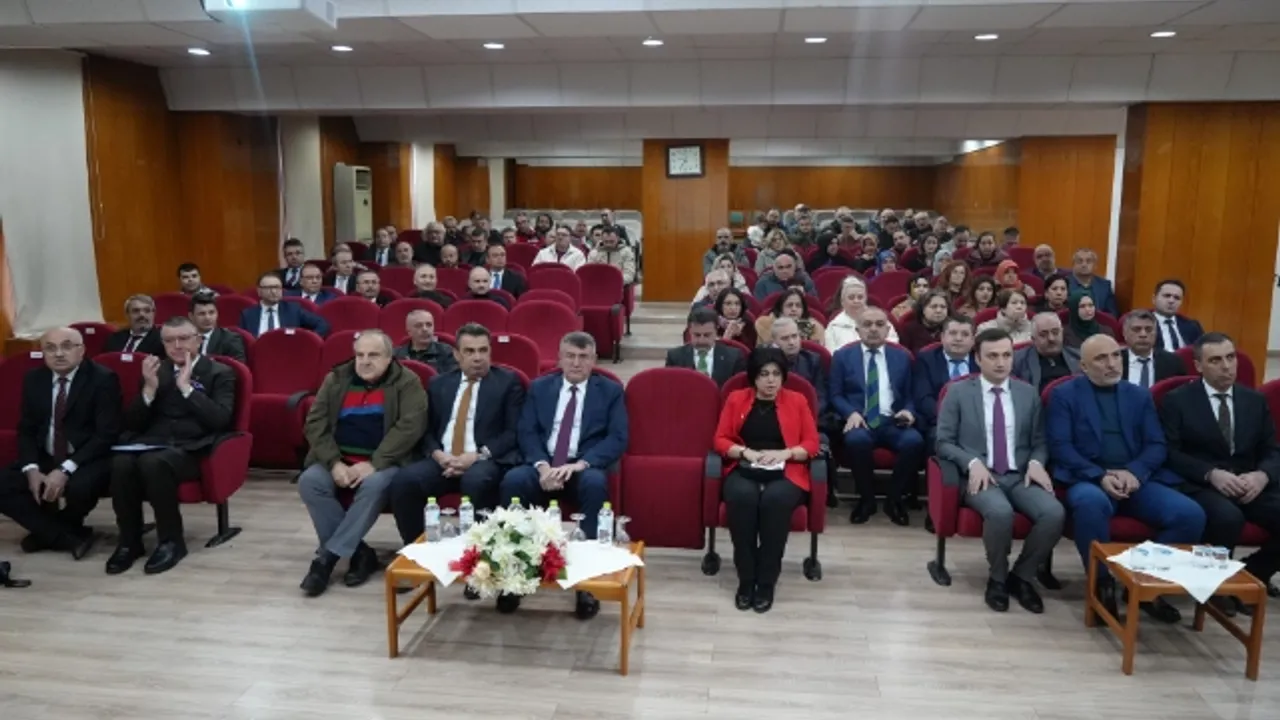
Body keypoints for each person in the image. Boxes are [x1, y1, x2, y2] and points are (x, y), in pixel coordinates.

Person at [1047, 334, 1206, 622]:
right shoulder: (1064, 395)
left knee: (1190, 515)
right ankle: (1101, 584)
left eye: (1115, 356)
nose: (1111, 364)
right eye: (1101, 358)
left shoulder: (1139, 395)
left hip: (1137, 479)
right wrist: (1100, 475)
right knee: (1090, 504)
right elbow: (1061, 447)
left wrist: (1135, 472)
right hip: (1089, 478)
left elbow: (1156, 444)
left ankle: (1144, 585)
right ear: (1084, 366)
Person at [499, 332, 628, 619]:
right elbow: (527, 431)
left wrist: (581, 464)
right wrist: (542, 466)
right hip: (544, 464)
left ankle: (586, 585)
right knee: (513, 481)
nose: (576, 363)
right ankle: (514, 576)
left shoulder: (610, 391)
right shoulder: (540, 387)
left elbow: (617, 438)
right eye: (570, 356)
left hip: (581, 466)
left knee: (595, 484)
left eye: (583, 357)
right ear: (559, 358)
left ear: (594, 360)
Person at [936, 328, 1064, 613]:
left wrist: (1036, 462)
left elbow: (1040, 441)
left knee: (1053, 513)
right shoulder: (958, 392)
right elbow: (943, 442)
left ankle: (1022, 576)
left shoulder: (1027, 393)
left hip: (1019, 475)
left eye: (1006, 355)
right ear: (978, 359)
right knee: (1000, 512)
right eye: (992, 356)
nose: (1001, 362)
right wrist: (972, 463)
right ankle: (997, 578)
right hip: (981, 475)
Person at [297, 330, 426, 597]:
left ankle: (327, 559)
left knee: (375, 486)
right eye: (360, 355)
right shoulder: (336, 378)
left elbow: (410, 428)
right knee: (310, 481)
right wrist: (334, 463)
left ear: (389, 358)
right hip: (339, 458)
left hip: (386, 462)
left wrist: (374, 464)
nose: (365, 361)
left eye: (373, 355)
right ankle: (359, 553)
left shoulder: (407, 382)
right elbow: (315, 423)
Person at [106, 317, 237, 576]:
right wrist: (149, 390)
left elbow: (220, 419)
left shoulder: (219, 372)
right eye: (169, 340)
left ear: (197, 340)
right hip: (153, 443)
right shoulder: (157, 371)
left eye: (184, 339)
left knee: (153, 463)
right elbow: (133, 423)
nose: (177, 346)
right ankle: (129, 541)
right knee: (121, 463)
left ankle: (171, 541)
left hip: (193, 448)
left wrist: (187, 389)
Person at [1162, 332, 1280, 614]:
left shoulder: (1254, 400)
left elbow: (1272, 450)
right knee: (1228, 518)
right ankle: (1213, 586)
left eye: (1230, 358)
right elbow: (1170, 452)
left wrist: (1262, 475)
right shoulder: (1177, 400)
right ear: (1198, 366)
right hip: (1203, 483)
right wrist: (1210, 474)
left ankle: (1252, 573)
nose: (1226, 366)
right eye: (1216, 360)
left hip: (1249, 482)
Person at [714, 346, 819, 613]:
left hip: (787, 470)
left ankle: (766, 582)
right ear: (753, 377)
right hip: (745, 466)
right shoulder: (737, 399)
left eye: (776, 374)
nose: (771, 380)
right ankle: (746, 580)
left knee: (775, 500)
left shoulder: (797, 401)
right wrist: (745, 452)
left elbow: (812, 443)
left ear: (784, 376)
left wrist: (785, 453)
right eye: (763, 374)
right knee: (742, 497)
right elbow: (720, 439)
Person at [390, 323, 523, 533]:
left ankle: (477, 546)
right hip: (443, 459)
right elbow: (426, 428)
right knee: (405, 481)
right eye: (469, 351)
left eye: (483, 350)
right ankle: (416, 545)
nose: (477, 357)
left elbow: (512, 432)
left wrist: (477, 455)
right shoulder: (439, 383)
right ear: (457, 354)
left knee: (476, 480)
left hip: (483, 459)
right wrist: (438, 454)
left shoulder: (507, 383)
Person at [0, 328, 121, 560]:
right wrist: (31, 468)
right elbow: (27, 429)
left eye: (66, 346)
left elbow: (106, 435)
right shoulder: (34, 379)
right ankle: (64, 536)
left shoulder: (103, 379)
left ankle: (48, 533)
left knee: (80, 487)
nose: (58, 354)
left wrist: (65, 469)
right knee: (4, 484)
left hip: (86, 457)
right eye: (50, 348)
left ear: (81, 350)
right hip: (46, 454)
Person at [831, 307, 923, 525]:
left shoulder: (902, 357)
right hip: (860, 419)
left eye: (879, 324)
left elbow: (911, 395)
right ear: (857, 330)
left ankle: (894, 499)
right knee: (856, 441)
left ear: (888, 329)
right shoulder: (842, 356)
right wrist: (850, 412)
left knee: (914, 442)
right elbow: (835, 395)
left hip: (893, 421)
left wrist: (909, 411)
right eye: (867, 324)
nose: (873, 329)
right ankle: (867, 499)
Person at [913, 315, 977, 448]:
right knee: (937, 436)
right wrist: (950, 420)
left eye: (965, 334)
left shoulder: (981, 361)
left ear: (973, 340)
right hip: (938, 422)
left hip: (976, 422)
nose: (958, 338)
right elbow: (924, 399)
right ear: (942, 337)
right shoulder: (926, 359)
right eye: (953, 333)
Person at [666, 306, 746, 387]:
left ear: (716, 330)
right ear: (689, 331)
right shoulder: (675, 357)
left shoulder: (734, 357)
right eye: (697, 335)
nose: (702, 341)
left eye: (707, 335)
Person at [241, 271, 329, 338]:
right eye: (269, 288)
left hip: (288, 352)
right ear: (259, 291)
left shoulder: (293, 310)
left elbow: (322, 324)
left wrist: (306, 340)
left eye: (277, 287)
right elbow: (242, 340)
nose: (274, 291)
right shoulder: (248, 314)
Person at [824, 277, 899, 352]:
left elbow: (893, 346)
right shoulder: (834, 326)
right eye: (851, 298)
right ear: (842, 301)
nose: (856, 301)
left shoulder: (881, 320)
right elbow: (832, 354)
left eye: (860, 297)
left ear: (866, 299)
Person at [1012, 313, 1080, 391]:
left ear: (1062, 333)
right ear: (1033, 339)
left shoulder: (1078, 356)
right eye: (1043, 335)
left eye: (1055, 332)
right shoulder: (1017, 361)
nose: (1051, 338)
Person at [1120, 310, 1186, 388]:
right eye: (1136, 329)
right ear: (1125, 333)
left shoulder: (1173, 362)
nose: (1143, 334)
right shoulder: (1115, 361)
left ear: (1156, 333)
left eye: (1149, 330)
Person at [754, 288, 825, 348]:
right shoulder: (765, 325)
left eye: (798, 305)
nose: (794, 309)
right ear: (781, 309)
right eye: (789, 305)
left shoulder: (814, 328)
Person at [394, 310, 459, 374]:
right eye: (418, 325)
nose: (425, 329)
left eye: (429, 325)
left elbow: (453, 378)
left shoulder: (447, 352)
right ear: (409, 331)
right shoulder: (396, 355)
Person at [189, 292, 246, 363]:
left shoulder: (230, 339)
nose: (207, 318)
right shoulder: (184, 339)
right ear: (191, 316)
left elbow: (238, 366)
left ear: (217, 314)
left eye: (211, 313)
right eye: (202, 314)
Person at [1153, 278, 1204, 351]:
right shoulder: (1144, 324)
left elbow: (1203, 350)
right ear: (1154, 299)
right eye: (1167, 296)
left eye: (1177, 298)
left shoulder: (1192, 326)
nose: (1171, 301)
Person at [1066, 249, 1117, 315]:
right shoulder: (1064, 283)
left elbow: (1112, 314)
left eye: (1088, 261)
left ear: (1095, 265)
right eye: (1079, 261)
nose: (1084, 265)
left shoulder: (1105, 286)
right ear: (1073, 265)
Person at [898, 289, 950, 353]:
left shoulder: (951, 329)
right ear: (923, 309)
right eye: (934, 306)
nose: (939, 310)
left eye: (943, 307)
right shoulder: (908, 329)